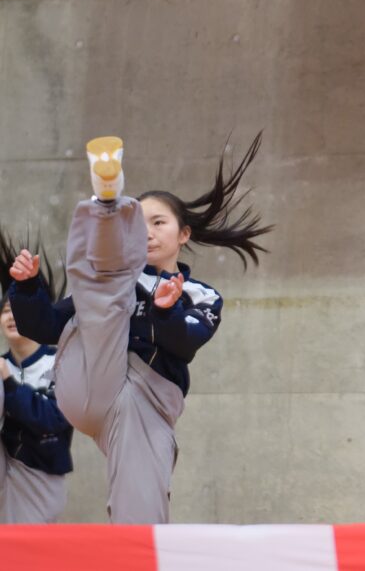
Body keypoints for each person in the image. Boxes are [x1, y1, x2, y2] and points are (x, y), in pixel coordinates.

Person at [7, 133, 272, 523]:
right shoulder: (119, 281)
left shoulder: (201, 295)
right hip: (89, 378)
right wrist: (28, 288)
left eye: (159, 223)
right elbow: (44, 327)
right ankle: (107, 203)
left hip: (146, 401)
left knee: (141, 514)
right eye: (137, 225)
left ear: (183, 234)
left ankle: (108, 208)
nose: (147, 233)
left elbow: (186, 342)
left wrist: (166, 310)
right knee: (108, 288)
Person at [0, 231, 73, 522]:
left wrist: (9, 384)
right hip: (5, 470)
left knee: (30, 545)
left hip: (41, 474)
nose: (11, 317)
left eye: (16, 310)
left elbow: (55, 419)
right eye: (6, 311)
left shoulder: (60, 361)